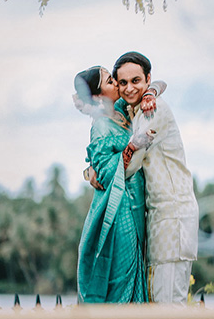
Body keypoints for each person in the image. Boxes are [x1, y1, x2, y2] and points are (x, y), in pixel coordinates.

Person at [112, 51, 199, 305]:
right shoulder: (137, 109)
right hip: (162, 218)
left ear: (148, 79)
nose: (129, 88)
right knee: (162, 303)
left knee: (169, 304)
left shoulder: (153, 110)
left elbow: (130, 166)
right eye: (123, 83)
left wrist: (99, 171)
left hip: (173, 216)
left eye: (136, 81)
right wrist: (153, 90)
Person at [73, 66, 155, 304]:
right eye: (110, 81)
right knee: (123, 276)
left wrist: (150, 94)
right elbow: (106, 173)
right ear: (99, 96)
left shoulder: (121, 109)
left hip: (137, 204)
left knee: (137, 270)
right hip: (119, 209)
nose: (118, 84)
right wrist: (132, 146)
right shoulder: (100, 126)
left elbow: (157, 84)